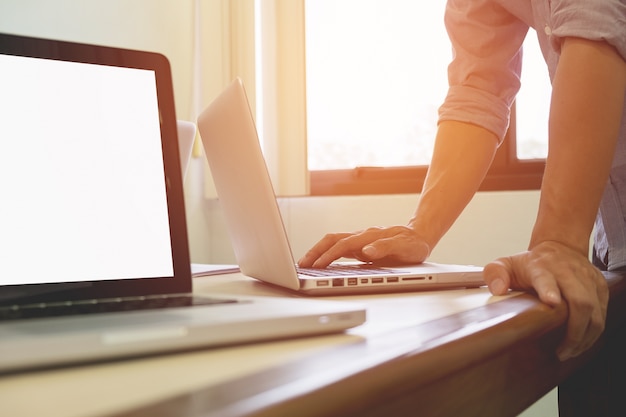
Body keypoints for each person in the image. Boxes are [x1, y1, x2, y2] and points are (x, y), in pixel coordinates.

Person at [298, 0, 626, 367]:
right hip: (612, 242)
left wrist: (558, 241)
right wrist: (420, 229)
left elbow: (594, 24)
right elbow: (478, 89)